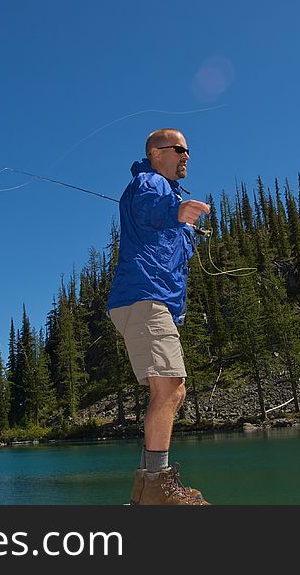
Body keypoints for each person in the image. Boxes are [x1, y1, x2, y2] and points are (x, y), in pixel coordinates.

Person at [107, 128, 211, 505]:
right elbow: (149, 208)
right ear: (155, 152)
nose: (186, 156)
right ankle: (157, 485)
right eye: (179, 149)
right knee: (169, 387)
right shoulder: (151, 183)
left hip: (151, 301)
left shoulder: (169, 193)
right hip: (143, 297)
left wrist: (184, 225)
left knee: (169, 389)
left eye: (188, 151)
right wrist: (175, 212)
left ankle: (144, 490)